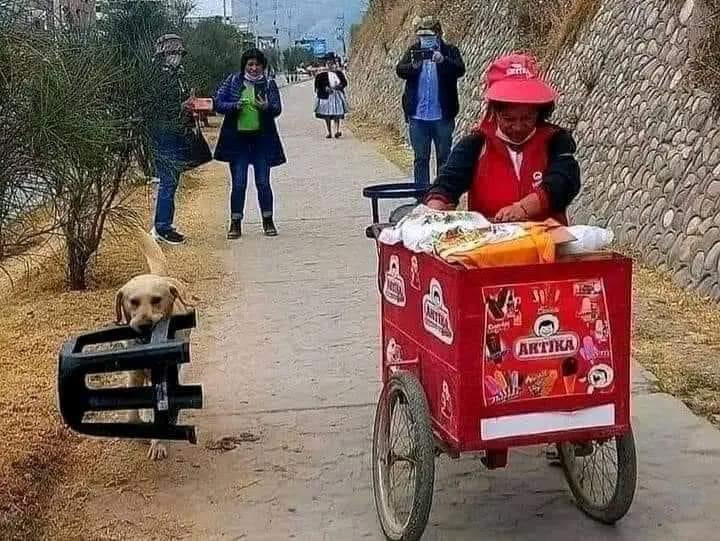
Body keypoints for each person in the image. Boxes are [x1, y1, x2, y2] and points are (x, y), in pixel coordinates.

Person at [423, 53, 581, 226]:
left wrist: (524, 208)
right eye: (509, 119)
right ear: (495, 113)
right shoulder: (475, 144)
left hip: (547, 242)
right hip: (491, 244)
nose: (518, 127)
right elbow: (447, 184)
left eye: (527, 118)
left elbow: (564, 181)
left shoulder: (556, 140)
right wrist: (435, 210)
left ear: (539, 112)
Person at [214, 48, 286, 239]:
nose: (254, 68)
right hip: (237, 143)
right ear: (244, 66)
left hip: (261, 142)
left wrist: (266, 107)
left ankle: (268, 220)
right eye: (250, 64)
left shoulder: (269, 84)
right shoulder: (232, 82)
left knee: (263, 183)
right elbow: (218, 103)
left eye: (257, 65)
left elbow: (277, 108)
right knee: (239, 183)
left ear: (263, 66)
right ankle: (235, 223)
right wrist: (233, 106)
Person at [396, 16, 466, 189]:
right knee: (420, 158)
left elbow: (460, 69)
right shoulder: (413, 51)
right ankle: (421, 196)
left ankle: (442, 195)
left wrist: (442, 61)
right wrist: (414, 66)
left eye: (429, 35)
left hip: (443, 116)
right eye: (422, 35)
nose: (425, 39)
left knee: (444, 157)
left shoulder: (450, 51)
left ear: (439, 34)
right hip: (418, 117)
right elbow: (400, 70)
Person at [150, 33, 196, 245]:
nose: (176, 56)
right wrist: (182, 106)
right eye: (172, 52)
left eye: (178, 52)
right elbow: (158, 107)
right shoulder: (159, 77)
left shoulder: (178, 75)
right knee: (168, 180)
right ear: (163, 54)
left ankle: (164, 223)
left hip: (176, 131)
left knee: (172, 180)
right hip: (163, 132)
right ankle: (162, 227)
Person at [314, 54, 349, 139]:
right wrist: (325, 88)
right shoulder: (321, 75)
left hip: (336, 95)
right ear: (326, 63)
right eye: (328, 63)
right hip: (326, 96)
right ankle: (329, 132)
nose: (330, 65)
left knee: (337, 114)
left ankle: (337, 131)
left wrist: (339, 86)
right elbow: (317, 86)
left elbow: (344, 83)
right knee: (327, 115)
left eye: (331, 63)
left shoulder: (339, 73)